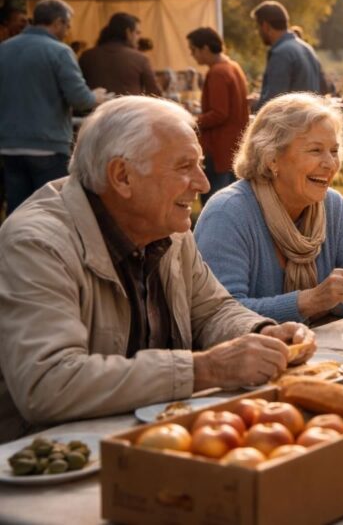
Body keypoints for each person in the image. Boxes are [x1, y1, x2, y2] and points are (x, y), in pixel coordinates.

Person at [0, 96, 314, 442]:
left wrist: (260, 332)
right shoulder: (37, 243)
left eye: (200, 165)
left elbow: (211, 311)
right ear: (122, 176)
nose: (203, 183)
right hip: (47, 458)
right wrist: (203, 369)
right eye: (184, 167)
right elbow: (48, 383)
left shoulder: (167, 227)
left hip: (151, 435)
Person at [195, 93, 343, 323]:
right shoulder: (227, 212)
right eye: (315, 150)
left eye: (334, 151)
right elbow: (219, 315)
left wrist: (331, 303)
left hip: (323, 352)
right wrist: (309, 302)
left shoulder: (332, 205)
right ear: (272, 158)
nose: (330, 163)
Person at [0, 0, 106, 212]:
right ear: (57, 22)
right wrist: (96, 97)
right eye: (67, 25)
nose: (67, 32)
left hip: (8, 144)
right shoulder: (60, 51)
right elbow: (80, 99)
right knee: (50, 210)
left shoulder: (4, 48)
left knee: (17, 209)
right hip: (47, 143)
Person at [186, 27, 249, 201]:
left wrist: (192, 121)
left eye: (193, 50)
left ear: (205, 48)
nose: (192, 55)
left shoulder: (218, 72)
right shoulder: (233, 66)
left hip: (219, 147)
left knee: (215, 198)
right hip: (234, 144)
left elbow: (219, 113)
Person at [251, 1, 330, 109]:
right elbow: (324, 88)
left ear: (265, 26)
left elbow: (273, 104)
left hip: (291, 123)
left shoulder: (281, 53)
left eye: (258, 27)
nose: (257, 32)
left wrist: (255, 103)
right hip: (309, 120)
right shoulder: (307, 48)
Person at [79, 12, 161, 96]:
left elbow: (79, 91)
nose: (139, 37)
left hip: (97, 109)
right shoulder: (140, 59)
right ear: (128, 32)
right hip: (131, 108)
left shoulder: (86, 56)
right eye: (137, 33)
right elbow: (155, 93)